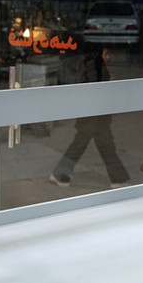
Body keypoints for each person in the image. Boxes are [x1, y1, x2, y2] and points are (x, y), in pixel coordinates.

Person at [50, 46, 130, 189]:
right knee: (103, 146)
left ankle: (60, 174)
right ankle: (118, 179)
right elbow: (96, 90)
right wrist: (109, 83)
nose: (108, 57)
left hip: (93, 116)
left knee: (87, 145)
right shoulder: (95, 67)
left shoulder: (91, 65)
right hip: (94, 116)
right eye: (106, 53)